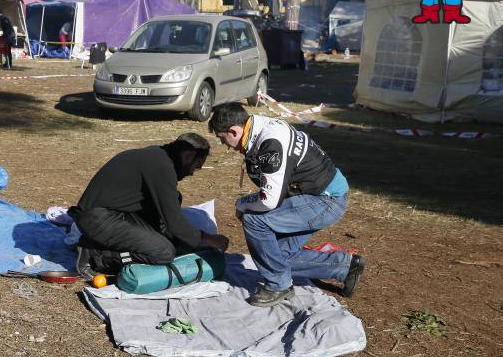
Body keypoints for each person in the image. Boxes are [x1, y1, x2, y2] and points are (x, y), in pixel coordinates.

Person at [208, 102, 365, 307]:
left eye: (222, 139)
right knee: (274, 258)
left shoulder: (270, 142)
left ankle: (278, 285)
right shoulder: (259, 130)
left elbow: (269, 200)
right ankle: (345, 266)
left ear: (234, 131)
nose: (224, 145)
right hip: (318, 195)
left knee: (254, 220)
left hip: (326, 200)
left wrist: (242, 204)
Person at [69, 133, 230, 279]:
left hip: (112, 213)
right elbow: (174, 223)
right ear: (189, 155)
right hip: (98, 219)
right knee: (164, 253)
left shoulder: (158, 156)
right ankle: (96, 255)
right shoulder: (161, 166)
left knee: (175, 201)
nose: (192, 172)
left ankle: (101, 245)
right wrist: (208, 239)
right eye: (197, 166)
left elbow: (167, 210)